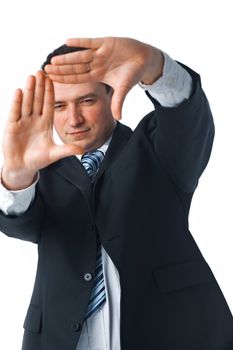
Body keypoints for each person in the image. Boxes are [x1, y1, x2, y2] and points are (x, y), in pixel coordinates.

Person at [0, 37, 232, 350]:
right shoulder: (40, 173)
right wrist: (16, 175)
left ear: (112, 94)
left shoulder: (156, 151)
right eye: (59, 106)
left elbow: (187, 119)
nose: (73, 120)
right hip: (62, 337)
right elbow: (20, 225)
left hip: (168, 331)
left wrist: (155, 66)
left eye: (86, 101)